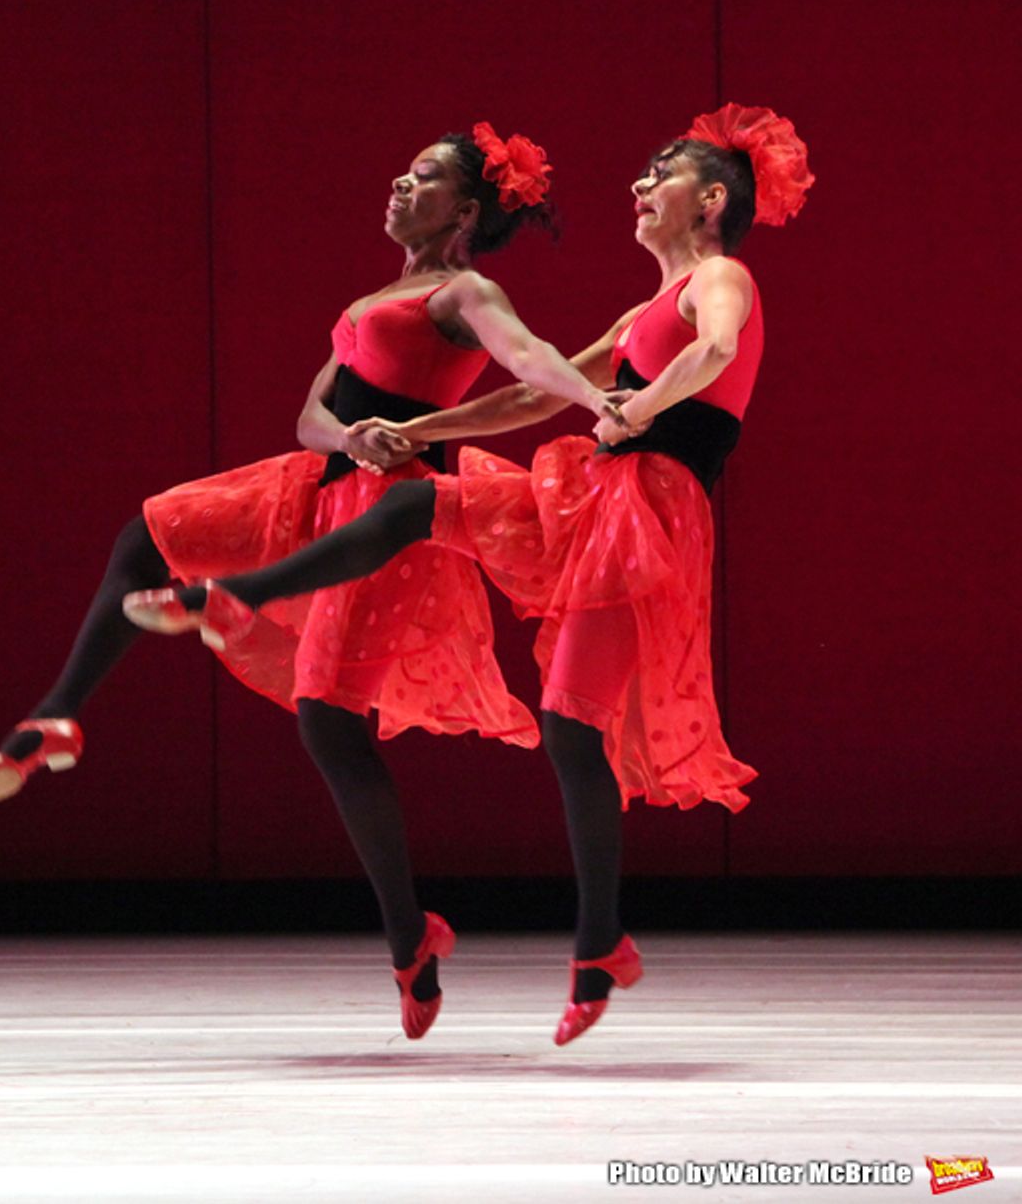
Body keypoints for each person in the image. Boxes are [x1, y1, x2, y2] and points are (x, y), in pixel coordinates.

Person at [127, 104, 814, 1045]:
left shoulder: (721, 277)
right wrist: (421, 432)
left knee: (574, 728)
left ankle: (600, 942)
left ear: (713, 201)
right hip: (587, 498)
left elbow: (719, 349)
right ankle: (243, 593)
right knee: (414, 502)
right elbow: (532, 391)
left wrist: (643, 405)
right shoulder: (641, 308)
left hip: (644, 519)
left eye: (662, 173)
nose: (639, 185)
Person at [0, 121, 620, 1039]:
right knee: (150, 533)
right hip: (310, 486)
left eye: (423, 177)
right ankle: (58, 712)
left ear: (465, 210)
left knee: (328, 719)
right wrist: (345, 435)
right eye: (400, 170)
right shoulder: (373, 296)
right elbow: (312, 412)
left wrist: (593, 400)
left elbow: (528, 365)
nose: (399, 183)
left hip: (385, 517)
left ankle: (410, 935)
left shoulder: (463, 289)